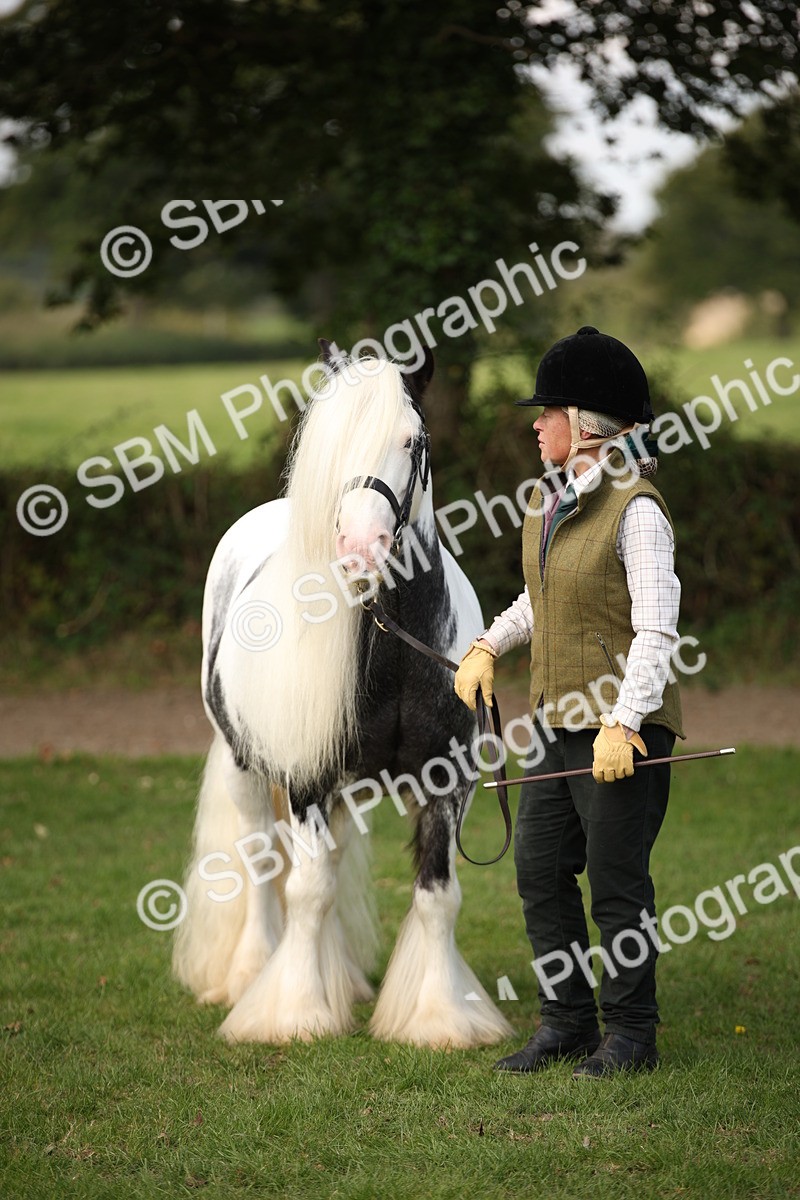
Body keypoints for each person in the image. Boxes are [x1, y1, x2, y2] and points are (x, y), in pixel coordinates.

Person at [454, 325, 684, 1078]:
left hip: (622, 734)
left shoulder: (637, 511)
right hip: (555, 724)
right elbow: (541, 597)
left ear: (587, 424)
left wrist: (624, 724)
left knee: (616, 885)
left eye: (549, 409)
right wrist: (489, 644)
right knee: (539, 870)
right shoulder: (550, 502)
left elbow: (657, 631)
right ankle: (566, 1022)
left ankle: (632, 1035)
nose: (536, 422)